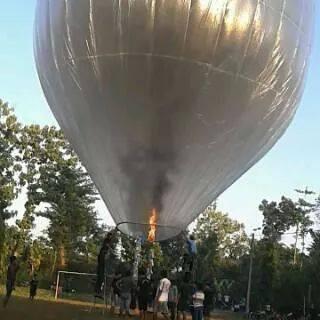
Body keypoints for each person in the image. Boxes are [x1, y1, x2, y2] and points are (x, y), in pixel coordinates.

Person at [95, 231, 116, 298]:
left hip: (103, 265)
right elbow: (108, 247)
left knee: (102, 278)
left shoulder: (107, 246)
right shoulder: (106, 243)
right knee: (100, 278)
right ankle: (98, 292)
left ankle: (100, 292)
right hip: (102, 264)